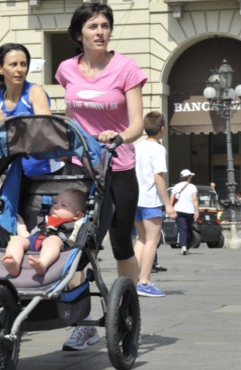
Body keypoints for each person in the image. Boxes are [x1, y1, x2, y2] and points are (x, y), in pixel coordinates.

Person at [54, 2, 146, 351]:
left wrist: (120, 136)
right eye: (93, 26)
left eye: (105, 25)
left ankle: (127, 309)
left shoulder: (126, 68)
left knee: (120, 241)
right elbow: (70, 111)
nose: (100, 32)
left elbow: (136, 122)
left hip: (118, 165)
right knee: (78, 243)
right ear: (79, 34)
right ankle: (82, 324)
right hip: (80, 167)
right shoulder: (66, 69)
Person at [0, 43, 51, 146]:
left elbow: (46, 130)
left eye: (23, 64)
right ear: (0, 69)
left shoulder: (35, 92)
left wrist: (5, 122)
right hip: (6, 162)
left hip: (36, 161)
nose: (20, 70)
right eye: (13, 64)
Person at [133, 112, 175, 297]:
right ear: (162, 129)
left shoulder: (137, 146)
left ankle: (132, 279)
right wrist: (168, 204)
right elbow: (158, 177)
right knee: (152, 240)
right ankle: (144, 281)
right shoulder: (158, 149)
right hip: (150, 199)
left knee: (141, 238)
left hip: (135, 198)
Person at [2, 188, 86, 277]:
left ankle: (42, 264)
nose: (56, 207)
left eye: (63, 205)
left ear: (77, 215)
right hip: (34, 241)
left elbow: (76, 239)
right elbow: (27, 236)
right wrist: (21, 225)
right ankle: (13, 263)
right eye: (55, 203)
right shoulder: (44, 221)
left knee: (53, 240)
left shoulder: (76, 224)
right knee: (16, 240)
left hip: (58, 245)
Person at [173, 169, 198, 255]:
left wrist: (170, 209)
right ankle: (186, 246)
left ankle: (183, 246)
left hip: (178, 210)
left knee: (182, 229)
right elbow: (194, 199)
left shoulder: (176, 186)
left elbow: (171, 198)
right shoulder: (192, 187)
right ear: (188, 177)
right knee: (189, 228)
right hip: (189, 211)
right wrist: (196, 211)